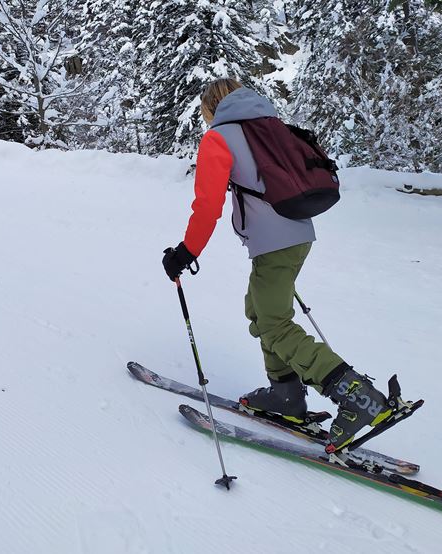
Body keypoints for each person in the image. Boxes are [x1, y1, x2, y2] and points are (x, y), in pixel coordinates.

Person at [162, 78, 394, 452]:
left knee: (274, 323)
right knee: (260, 309)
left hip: (274, 244)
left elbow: (207, 206)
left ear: (210, 108)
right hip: (297, 234)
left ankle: (359, 397)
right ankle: (285, 395)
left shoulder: (220, 138)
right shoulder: (268, 126)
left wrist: (185, 253)